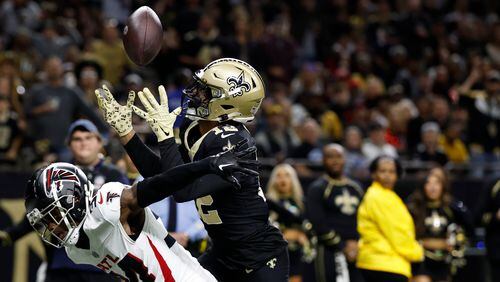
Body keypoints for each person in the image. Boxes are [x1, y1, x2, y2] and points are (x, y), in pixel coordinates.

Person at [95, 58, 289, 281]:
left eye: (207, 92)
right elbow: (164, 178)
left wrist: (165, 137)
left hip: (259, 257)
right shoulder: (195, 129)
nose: (196, 94)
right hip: (223, 254)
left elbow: (182, 191)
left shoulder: (235, 141)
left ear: (228, 104)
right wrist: (127, 134)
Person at [24, 140, 257, 281]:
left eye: (52, 216)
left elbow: (158, 186)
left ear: (72, 200)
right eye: (45, 222)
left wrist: (207, 165)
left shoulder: (107, 207)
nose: (52, 227)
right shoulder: (75, 251)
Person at [0, 119, 128, 282]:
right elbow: (40, 213)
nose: (83, 143)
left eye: (88, 138)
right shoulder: (57, 175)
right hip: (63, 263)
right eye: (77, 139)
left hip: (103, 265)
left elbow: (127, 216)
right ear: (69, 144)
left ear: (99, 142)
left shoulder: (114, 175)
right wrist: (10, 235)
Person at [357, 156, 423, 282]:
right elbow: (396, 233)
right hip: (383, 264)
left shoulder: (389, 196)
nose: (387, 176)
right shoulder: (377, 196)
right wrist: (416, 252)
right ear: (373, 174)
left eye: (391, 172)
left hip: (387, 263)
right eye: (382, 171)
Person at [304, 144, 365, 282]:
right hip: (328, 250)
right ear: (323, 160)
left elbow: (365, 218)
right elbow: (318, 224)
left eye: (339, 156)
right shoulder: (317, 188)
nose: (335, 161)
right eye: (330, 157)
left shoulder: (357, 188)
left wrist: (357, 244)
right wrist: (343, 247)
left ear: (345, 159)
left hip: (357, 249)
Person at [407, 171, 471, 282]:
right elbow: (405, 236)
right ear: (423, 186)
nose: (433, 188)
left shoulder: (451, 208)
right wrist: (429, 243)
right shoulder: (414, 208)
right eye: (429, 183)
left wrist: (456, 243)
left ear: (443, 186)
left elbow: (468, 228)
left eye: (437, 183)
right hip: (420, 261)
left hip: (444, 261)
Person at [266, 163, 309, 282]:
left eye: (287, 175)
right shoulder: (266, 204)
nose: (283, 179)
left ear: (293, 179)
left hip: (298, 256)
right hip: (274, 256)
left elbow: (310, 229)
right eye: (278, 176)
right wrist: (288, 234)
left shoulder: (302, 204)